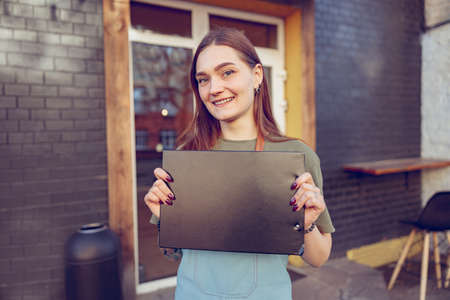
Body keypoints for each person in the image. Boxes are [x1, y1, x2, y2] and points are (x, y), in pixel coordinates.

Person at [144, 27, 335, 299]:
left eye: (227, 72)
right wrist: (168, 219)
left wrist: (306, 223)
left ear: (257, 75)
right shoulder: (188, 154)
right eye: (203, 79)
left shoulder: (297, 155)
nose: (215, 88)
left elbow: (318, 258)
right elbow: (175, 255)